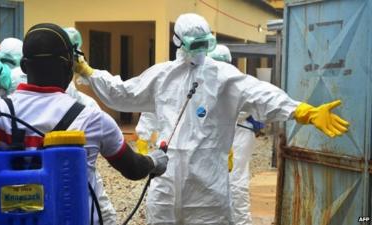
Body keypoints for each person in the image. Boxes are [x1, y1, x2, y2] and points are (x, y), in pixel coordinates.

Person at [75, 13, 349, 225]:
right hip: (166, 187)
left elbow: (262, 94)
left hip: (207, 188)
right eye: (194, 44)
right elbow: (123, 93)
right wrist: (89, 72)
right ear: (178, 42)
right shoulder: (161, 76)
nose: (199, 51)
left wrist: (302, 110)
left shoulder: (223, 77)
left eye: (203, 44)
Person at [0, 23, 168, 225]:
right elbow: (133, 168)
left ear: (23, 66)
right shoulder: (93, 119)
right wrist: (154, 162)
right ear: (69, 66)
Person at [209, 44, 264, 225]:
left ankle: (240, 222)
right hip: (231, 133)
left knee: (236, 181)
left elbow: (238, 109)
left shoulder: (236, 82)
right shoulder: (211, 80)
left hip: (239, 134)